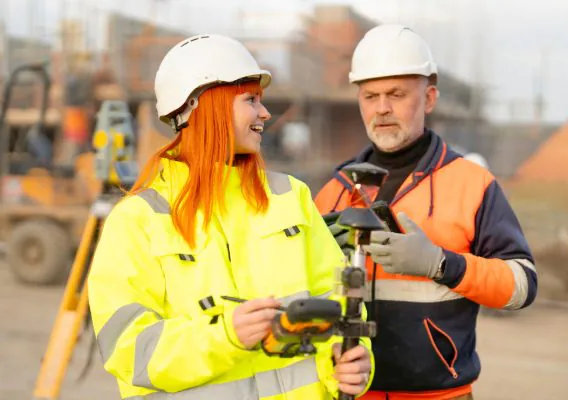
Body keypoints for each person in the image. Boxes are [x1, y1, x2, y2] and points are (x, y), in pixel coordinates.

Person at [87, 33, 372, 400]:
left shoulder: (291, 197)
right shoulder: (137, 221)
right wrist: (225, 337)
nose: (265, 113)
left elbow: (341, 309)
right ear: (204, 107)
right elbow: (130, 353)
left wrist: (349, 363)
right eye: (250, 100)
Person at [315, 24, 537, 400]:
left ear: (429, 98)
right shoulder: (334, 191)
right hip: (349, 393)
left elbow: (522, 285)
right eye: (370, 96)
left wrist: (441, 264)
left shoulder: (473, 184)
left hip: (440, 395)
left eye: (396, 94)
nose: (382, 108)